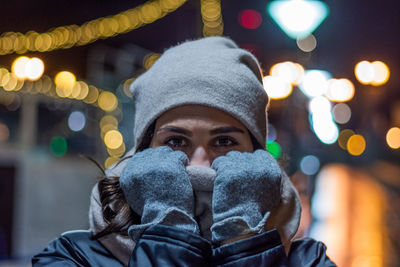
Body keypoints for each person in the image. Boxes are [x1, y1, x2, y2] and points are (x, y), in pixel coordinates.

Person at [32, 36, 336, 266]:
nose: (200, 163)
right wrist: (168, 229)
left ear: (255, 152)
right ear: (144, 151)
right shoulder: (71, 257)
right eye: (176, 142)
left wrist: (242, 237)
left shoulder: (309, 261)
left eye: (225, 142)